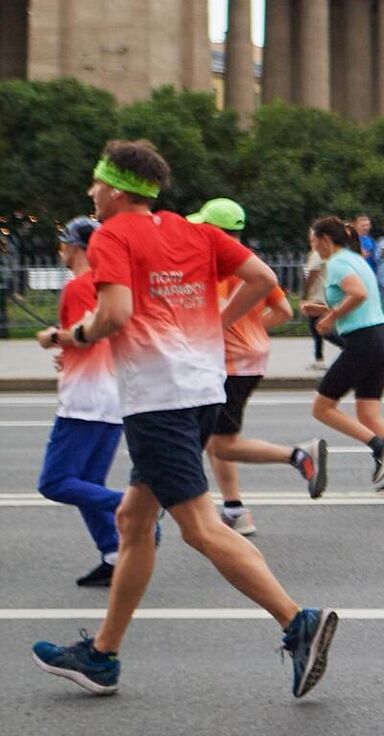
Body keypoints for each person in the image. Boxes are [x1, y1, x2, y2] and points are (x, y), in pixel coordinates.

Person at [29, 139, 337, 699]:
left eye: (95, 185)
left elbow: (115, 313)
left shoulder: (113, 235)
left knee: (198, 526)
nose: (91, 194)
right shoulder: (193, 231)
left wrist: (73, 336)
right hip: (202, 390)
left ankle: (298, 622)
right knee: (132, 521)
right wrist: (215, 323)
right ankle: (103, 655)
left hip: (158, 399)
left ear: (117, 188)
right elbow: (265, 279)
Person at [186, 197, 328, 536]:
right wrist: (250, 330)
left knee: (219, 443)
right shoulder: (252, 263)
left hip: (228, 363)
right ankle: (234, 509)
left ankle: (299, 456)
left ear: (212, 230)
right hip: (252, 358)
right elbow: (283, 312)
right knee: (216, 437)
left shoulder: (217, 267)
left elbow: (209, 313)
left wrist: (229, 331)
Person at [34, 216, 124, 588]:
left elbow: (81, 337)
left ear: (76, 247)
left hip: (85, 398)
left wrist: (53, 338)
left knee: (55, 482)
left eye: (64, 243)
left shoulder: (77, 286)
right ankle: (114, 554)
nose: (61, 250)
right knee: (88, 482)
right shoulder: (112, 284)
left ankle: (135, 507)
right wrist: (68, 349)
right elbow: (101, 334)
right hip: (115, 397)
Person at [303, 215, 384, 494]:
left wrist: (330, 316)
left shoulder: (337, 262)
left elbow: (357, 294)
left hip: (363, 342)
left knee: (322, 408)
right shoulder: (355, 259)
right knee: (369, 413)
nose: (313, 248)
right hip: (379, 338)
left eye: (313, 242)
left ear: (325, 240)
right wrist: (321, 310)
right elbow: (358, 300)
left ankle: (379, 447)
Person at [303, 246, 330, 371]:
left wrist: (305, 294)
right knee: (319, 328)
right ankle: (319, 358)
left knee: (318, 329)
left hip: (317, 296)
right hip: (324, 295)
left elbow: (313, 274)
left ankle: (319, 359)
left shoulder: (317, 254)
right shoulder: (329, 252)